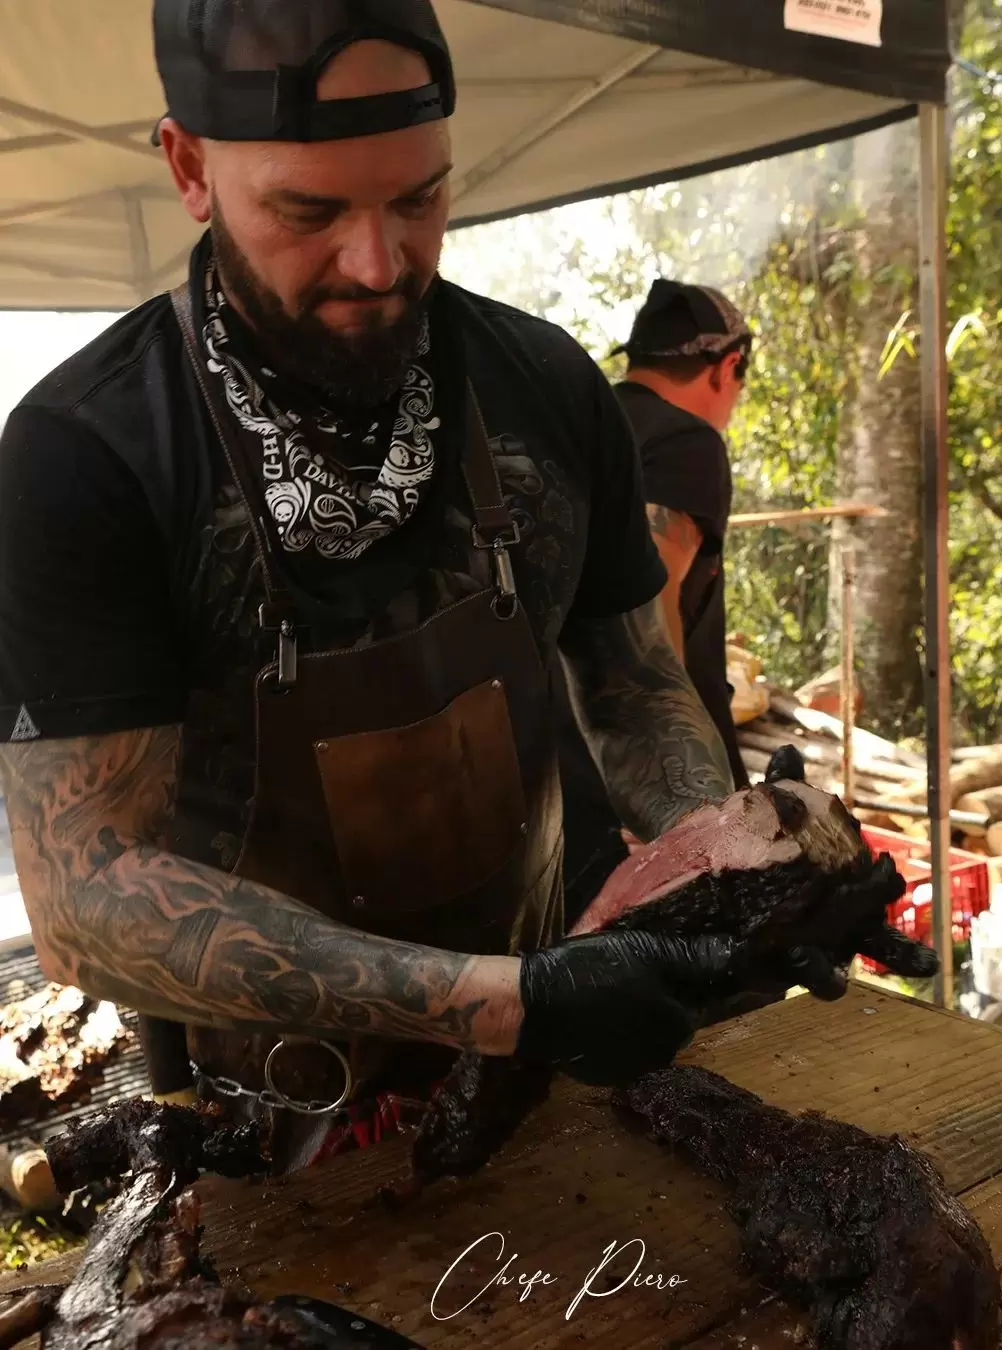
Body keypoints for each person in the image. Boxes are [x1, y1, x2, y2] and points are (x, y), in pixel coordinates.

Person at [0, 0, 845, 1173]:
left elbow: (637, 689)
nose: (379, 263)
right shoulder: (88, 455)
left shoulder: (546, 387)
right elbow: (83, 893)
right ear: (189, 167)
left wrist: (719, 865)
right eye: (311, 210)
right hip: (271, 1125)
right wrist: (502, 1000)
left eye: (419, 199)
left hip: (553, 1065)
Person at [561, 280, 751, 926]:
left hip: (574, 787)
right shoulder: (688, 444)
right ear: (729, 368)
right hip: (661, 794)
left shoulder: (582, 425)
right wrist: (673, 802)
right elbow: (649, 618)